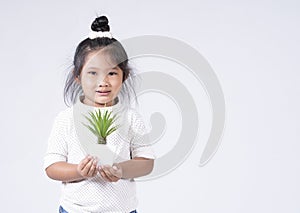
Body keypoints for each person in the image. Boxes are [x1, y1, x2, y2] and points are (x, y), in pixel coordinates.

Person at [44, 15, 155, 213]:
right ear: (77, 76)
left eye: (111, 73)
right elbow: (52, 167)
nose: (102, 82)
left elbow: (146, 163)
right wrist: (78, 171)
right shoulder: (66, 119)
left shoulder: (130, 118)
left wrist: (121, 170)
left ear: (124, 76)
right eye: (93, 73)